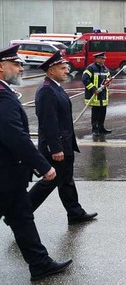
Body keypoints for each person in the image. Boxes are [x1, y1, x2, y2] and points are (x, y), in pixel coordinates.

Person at [0, 45, 73, 281]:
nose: (22, 68)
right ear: (1, 67)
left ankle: (40, 264)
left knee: (22, 218)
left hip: (9, 175)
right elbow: (15, 136)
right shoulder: (2, 96)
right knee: (21, 217)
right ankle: (40, 263)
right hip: (5, 174)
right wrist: (43, 165)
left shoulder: (5, 92)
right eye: (16, 64)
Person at [28, 51, 98, 225]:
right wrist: (56, 148)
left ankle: (75, 213)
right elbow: (48, 123)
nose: (67, 71)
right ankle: (19, 213)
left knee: (65, 180)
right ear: (51, 70)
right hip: (57, 147)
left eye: (66, 67)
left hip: (64, 144)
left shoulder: (55, 87)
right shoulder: (46, 91)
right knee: (50, 182)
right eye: (62, 68)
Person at [82, 52, 112, 136]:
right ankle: (94, 129)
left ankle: (101, 128)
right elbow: (85, 79)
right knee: (95, 113)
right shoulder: (91, 68)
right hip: (94, 95)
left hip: (103, 95)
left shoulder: (105, 69)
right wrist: (93, 89)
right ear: (97, 58)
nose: (104, 60)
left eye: (104, 58)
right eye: (103, 58)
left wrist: (107, 82)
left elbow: (108, 78)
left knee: (103, 112)